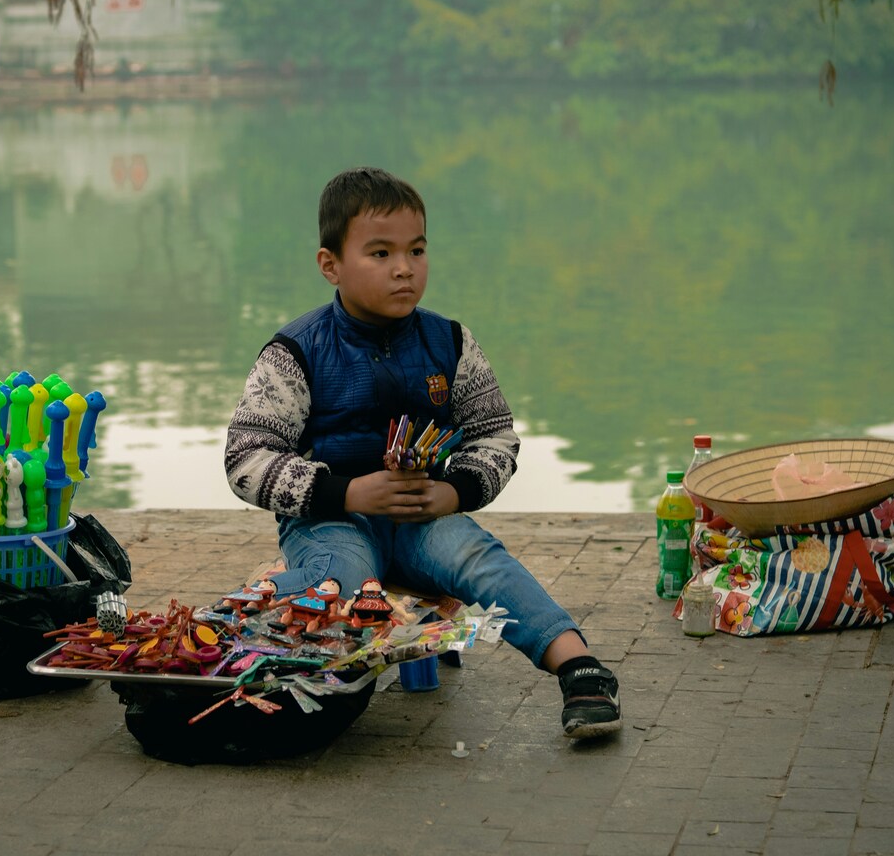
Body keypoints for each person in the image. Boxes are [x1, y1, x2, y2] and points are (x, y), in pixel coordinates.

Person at [223, 166, 620, 738]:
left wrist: (453, 491)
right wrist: (346, 491)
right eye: (380, 253)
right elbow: (246, 457)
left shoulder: (450, 342)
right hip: (331, 523)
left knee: (478, 560)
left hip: (422, 519)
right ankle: (229, 633)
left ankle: (581, 668)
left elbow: (496, 435)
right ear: (330, 265)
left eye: (416, 250)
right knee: (344, 578)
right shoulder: (295, 351)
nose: (405, 268)